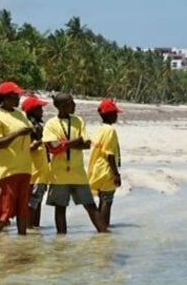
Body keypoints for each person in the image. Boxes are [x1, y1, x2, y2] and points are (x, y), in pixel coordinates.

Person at [43, 93, 108, 234]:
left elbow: (85, 144)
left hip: (78, 173)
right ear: (62, 106)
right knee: (60, 208)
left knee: (90, 205)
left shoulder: (78, 121)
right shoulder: (51, 124)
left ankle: (104, 236)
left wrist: (63, 144)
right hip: (59, 174)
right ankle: (61, 240)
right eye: (71, 103)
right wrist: (74, 142)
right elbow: (53, 148)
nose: (74, 105)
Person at [0, 82, 34, 235]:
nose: (18, 99)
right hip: (8, 170)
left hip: (25, 168)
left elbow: (29, 132)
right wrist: (17, 133)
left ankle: (22, 242)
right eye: (15, 96)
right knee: (4, 208)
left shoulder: (20, 114)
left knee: (23, 210)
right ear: (5, 98)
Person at [88, 99, 123, 227]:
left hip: (97, 169)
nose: (117, 116)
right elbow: (110, 154)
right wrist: (116, 174)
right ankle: (104, 228)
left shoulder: (100, 129)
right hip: (106, 170)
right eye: (115, 113)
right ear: (110, 115)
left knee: (102, 200)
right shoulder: (110, 131)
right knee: (107, 201)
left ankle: (101, 228)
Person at [22, 95, 50, 228]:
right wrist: (39, 142)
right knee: (32, 204)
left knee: (37, 202)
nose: (42, 111)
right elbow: (27, 148)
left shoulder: (37, 125)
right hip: (34, 171)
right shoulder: (30, 127)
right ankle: (28, 229)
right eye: (39, 108)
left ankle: (35, 229)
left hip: (40, 171)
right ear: (32, 111)